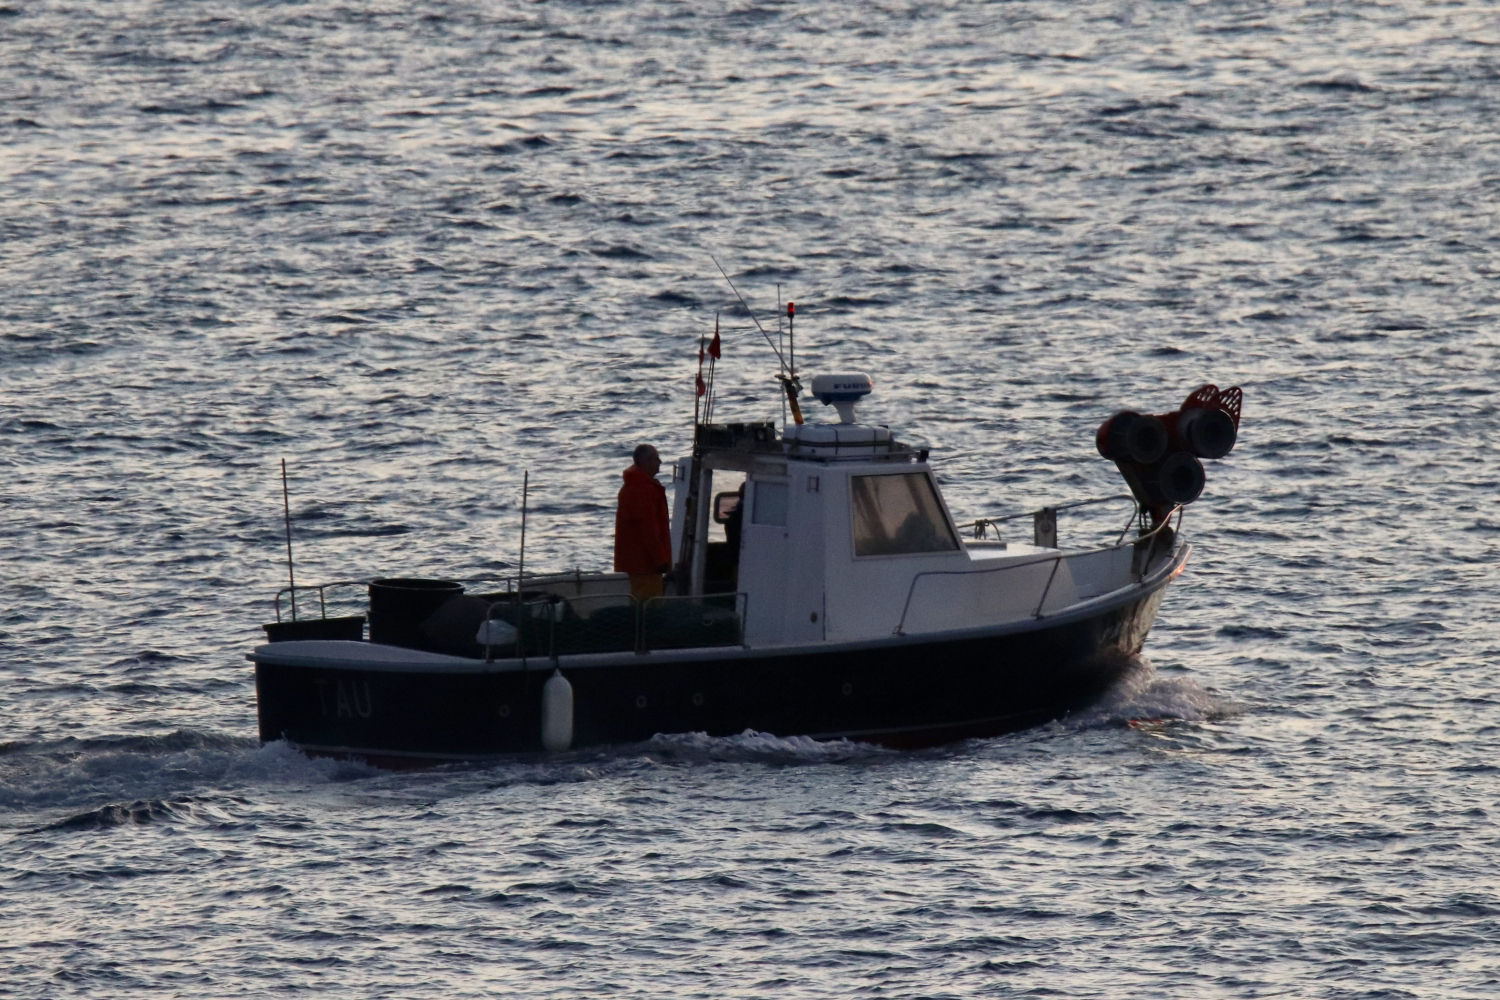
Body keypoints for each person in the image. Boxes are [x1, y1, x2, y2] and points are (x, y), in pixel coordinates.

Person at [613, 443, 672, 601]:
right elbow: (647, 528)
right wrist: (660, 560)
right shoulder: (641, 489)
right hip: (645, 563)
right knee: (649, 604)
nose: (660, 462)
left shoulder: (638, 486)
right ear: (646, 461)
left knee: (643, 600)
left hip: (642, 561)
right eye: (656, 459)